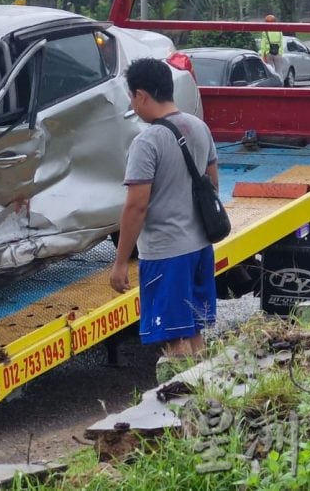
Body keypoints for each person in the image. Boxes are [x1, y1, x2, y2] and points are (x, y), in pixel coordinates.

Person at [109, 58, 219, 378]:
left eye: (132, 97)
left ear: (142, 95)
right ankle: (207, 403)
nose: (133, 104)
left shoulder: (147, 142)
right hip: (200, 248)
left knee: (174, 345)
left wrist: (119, 263)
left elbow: (136, 207)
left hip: (166, 254)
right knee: (195, 335)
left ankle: (178, 414)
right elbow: (212, 183)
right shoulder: (198, 126)